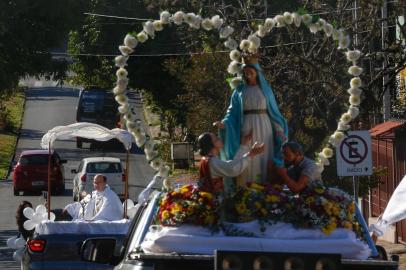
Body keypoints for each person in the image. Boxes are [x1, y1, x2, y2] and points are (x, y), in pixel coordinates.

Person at [213, 56, 288, 186]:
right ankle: (245, 187)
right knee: (246, 152)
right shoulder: (239, 91)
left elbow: (273, 112)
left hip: (265, 127)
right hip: (246, 126)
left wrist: (279, 130)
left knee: (264, 156)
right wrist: (225, 123)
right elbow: (232, 112)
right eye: (246, 73)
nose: (248, 75)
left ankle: (265, 188)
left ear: (257, 72)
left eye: (250, 72)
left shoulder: (266, 90)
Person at [198, 131, 265, 194]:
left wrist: (243, 146)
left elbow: (232, 164)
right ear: (212, 145)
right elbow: (233, 169)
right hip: (213, 200)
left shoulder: (208, 159)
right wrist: (251, 154)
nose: (220, 139)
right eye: (217, 139)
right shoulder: (212, 161)